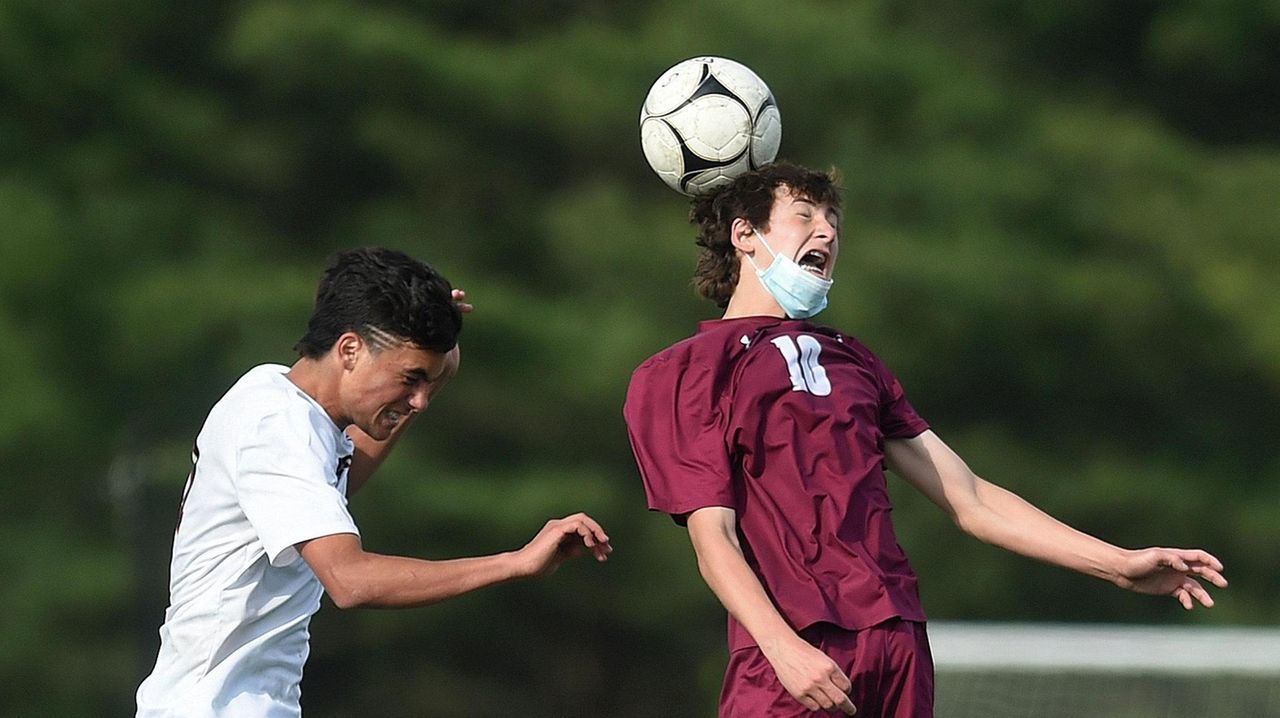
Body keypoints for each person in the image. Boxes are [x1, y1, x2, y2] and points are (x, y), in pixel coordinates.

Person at [622, 163, 1227, 717]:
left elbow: (971, 499)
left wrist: (1119, 565)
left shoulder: (852, 360)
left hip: (898, 644)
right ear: (744, 235)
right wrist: (782, 648)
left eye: (834, 221)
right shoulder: (686, 370)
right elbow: (714, 540)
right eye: (804, 216)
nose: (827, 234)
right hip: (797, 649)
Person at [136, 247, 612, 717]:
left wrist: (442, 362)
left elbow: (346, 478)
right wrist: (513, 563)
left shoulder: (282, 400)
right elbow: (350, 581)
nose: (420, 401)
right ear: (349, 349)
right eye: (409, 378)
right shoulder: (277, 426)